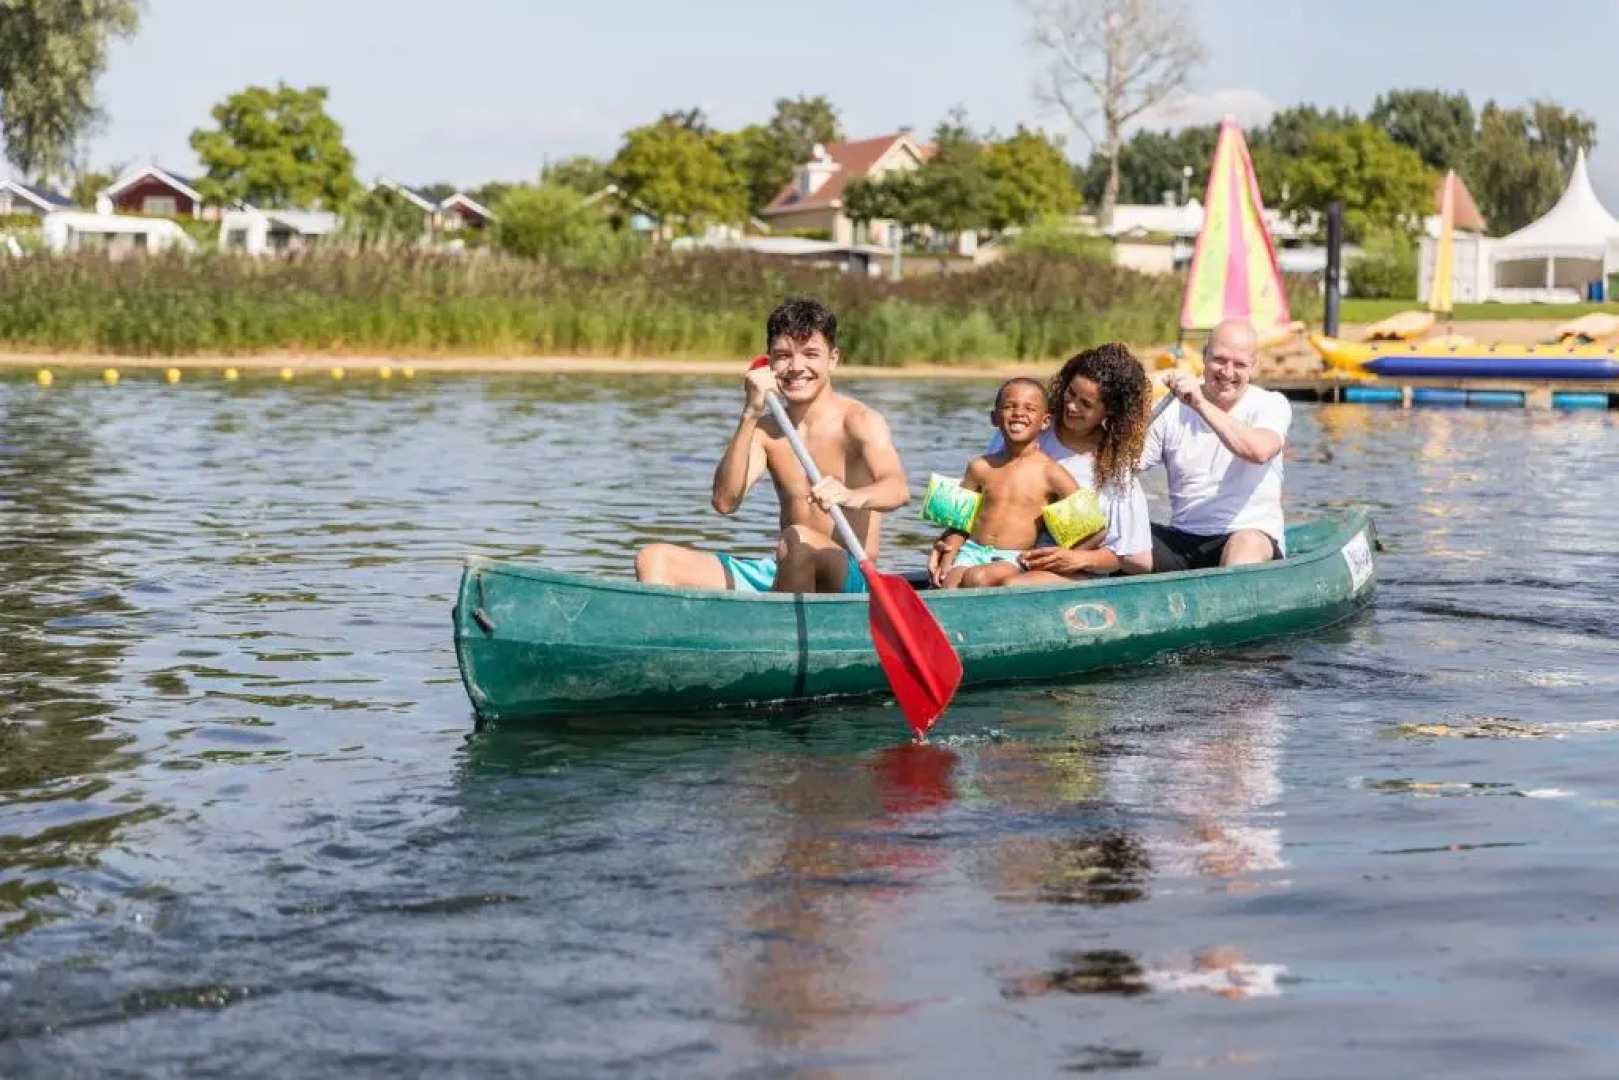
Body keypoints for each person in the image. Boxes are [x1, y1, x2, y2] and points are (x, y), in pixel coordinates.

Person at [634, 297, 910, 593]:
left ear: (833, 359)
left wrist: (850, 495)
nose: (796, 367)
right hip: (787, 566)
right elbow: (725, 502)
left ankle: (774, 634)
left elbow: (897, 490)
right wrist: (750, 412)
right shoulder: (765, 430)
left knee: (798, 540)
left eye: (811, 354)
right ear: (768, 362)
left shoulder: (860, 421)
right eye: (783, 355)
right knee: (653, 559)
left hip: (849, 574)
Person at [957, 343, 1155, 586]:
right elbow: (982, 493)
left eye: (1086, 404)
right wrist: (949, 542)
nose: (1072, 406)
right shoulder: (1026, 427)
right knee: (957, 578)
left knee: (1012, 584)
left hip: (1068, 571)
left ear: (1110, 410)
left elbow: (1136, 561)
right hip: (997, 557)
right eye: (1071, 393)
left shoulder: (1115, 469)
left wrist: (1075, 558)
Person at [1141, 317, 1291, 571]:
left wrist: (1200, 404)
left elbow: (1259, 451)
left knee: (1244, 547)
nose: (1227, 372)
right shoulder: (1170, 409)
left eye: (1240, 364)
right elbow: (1127, 463)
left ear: (1253, 367)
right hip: (1183, 538)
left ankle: (1232, 601)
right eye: (1219, 360)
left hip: (1248, 534)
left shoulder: (1271, 404)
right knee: (1118, 537)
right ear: (1204, 357)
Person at [926, 378, 1090, 589]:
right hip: (972, 550)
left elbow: (1093, 529)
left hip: (1013, 559)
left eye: (1030, 409)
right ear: (994, 417)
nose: (1019, 413)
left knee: (977, 578)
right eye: (1009, 406)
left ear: (1045, 421)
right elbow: (958, 525)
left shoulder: (1051, 472)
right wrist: (947, 560)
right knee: (945, 587)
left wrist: (1057, 559)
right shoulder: (979, 467)